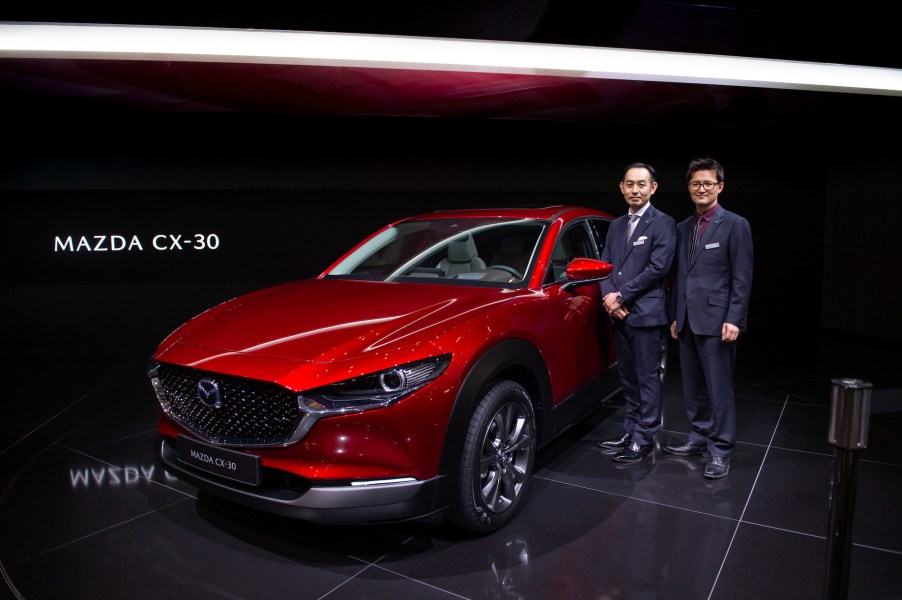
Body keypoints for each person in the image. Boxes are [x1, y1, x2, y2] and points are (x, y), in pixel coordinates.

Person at [664, 157, 753, 479]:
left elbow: (742, 277)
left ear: (720, 187)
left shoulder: (735, 224)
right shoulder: (683, 227)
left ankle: (721, 449)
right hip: (687, 318)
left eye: (707, 184)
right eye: (695, 184)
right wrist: (676, 315)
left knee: (719, 388)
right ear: (689, 188)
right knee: (692, 385)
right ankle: (699, 436)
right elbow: (680, 277)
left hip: (718, 321)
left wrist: (735, 318)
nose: (701, 189)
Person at [597, 162, 676, 463]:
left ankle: (645, 434)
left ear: (653, 188)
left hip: (645, 314)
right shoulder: (616, 225)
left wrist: (621, 295)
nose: (635, 189)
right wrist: (608, 298)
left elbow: (658, 268)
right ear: (621, 187)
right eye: (630, 184)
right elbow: (604, 266)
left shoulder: (663, 223)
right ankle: (630, 428)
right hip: (618, 314)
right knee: (627, 378)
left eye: (641, 184)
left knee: (647, 378)